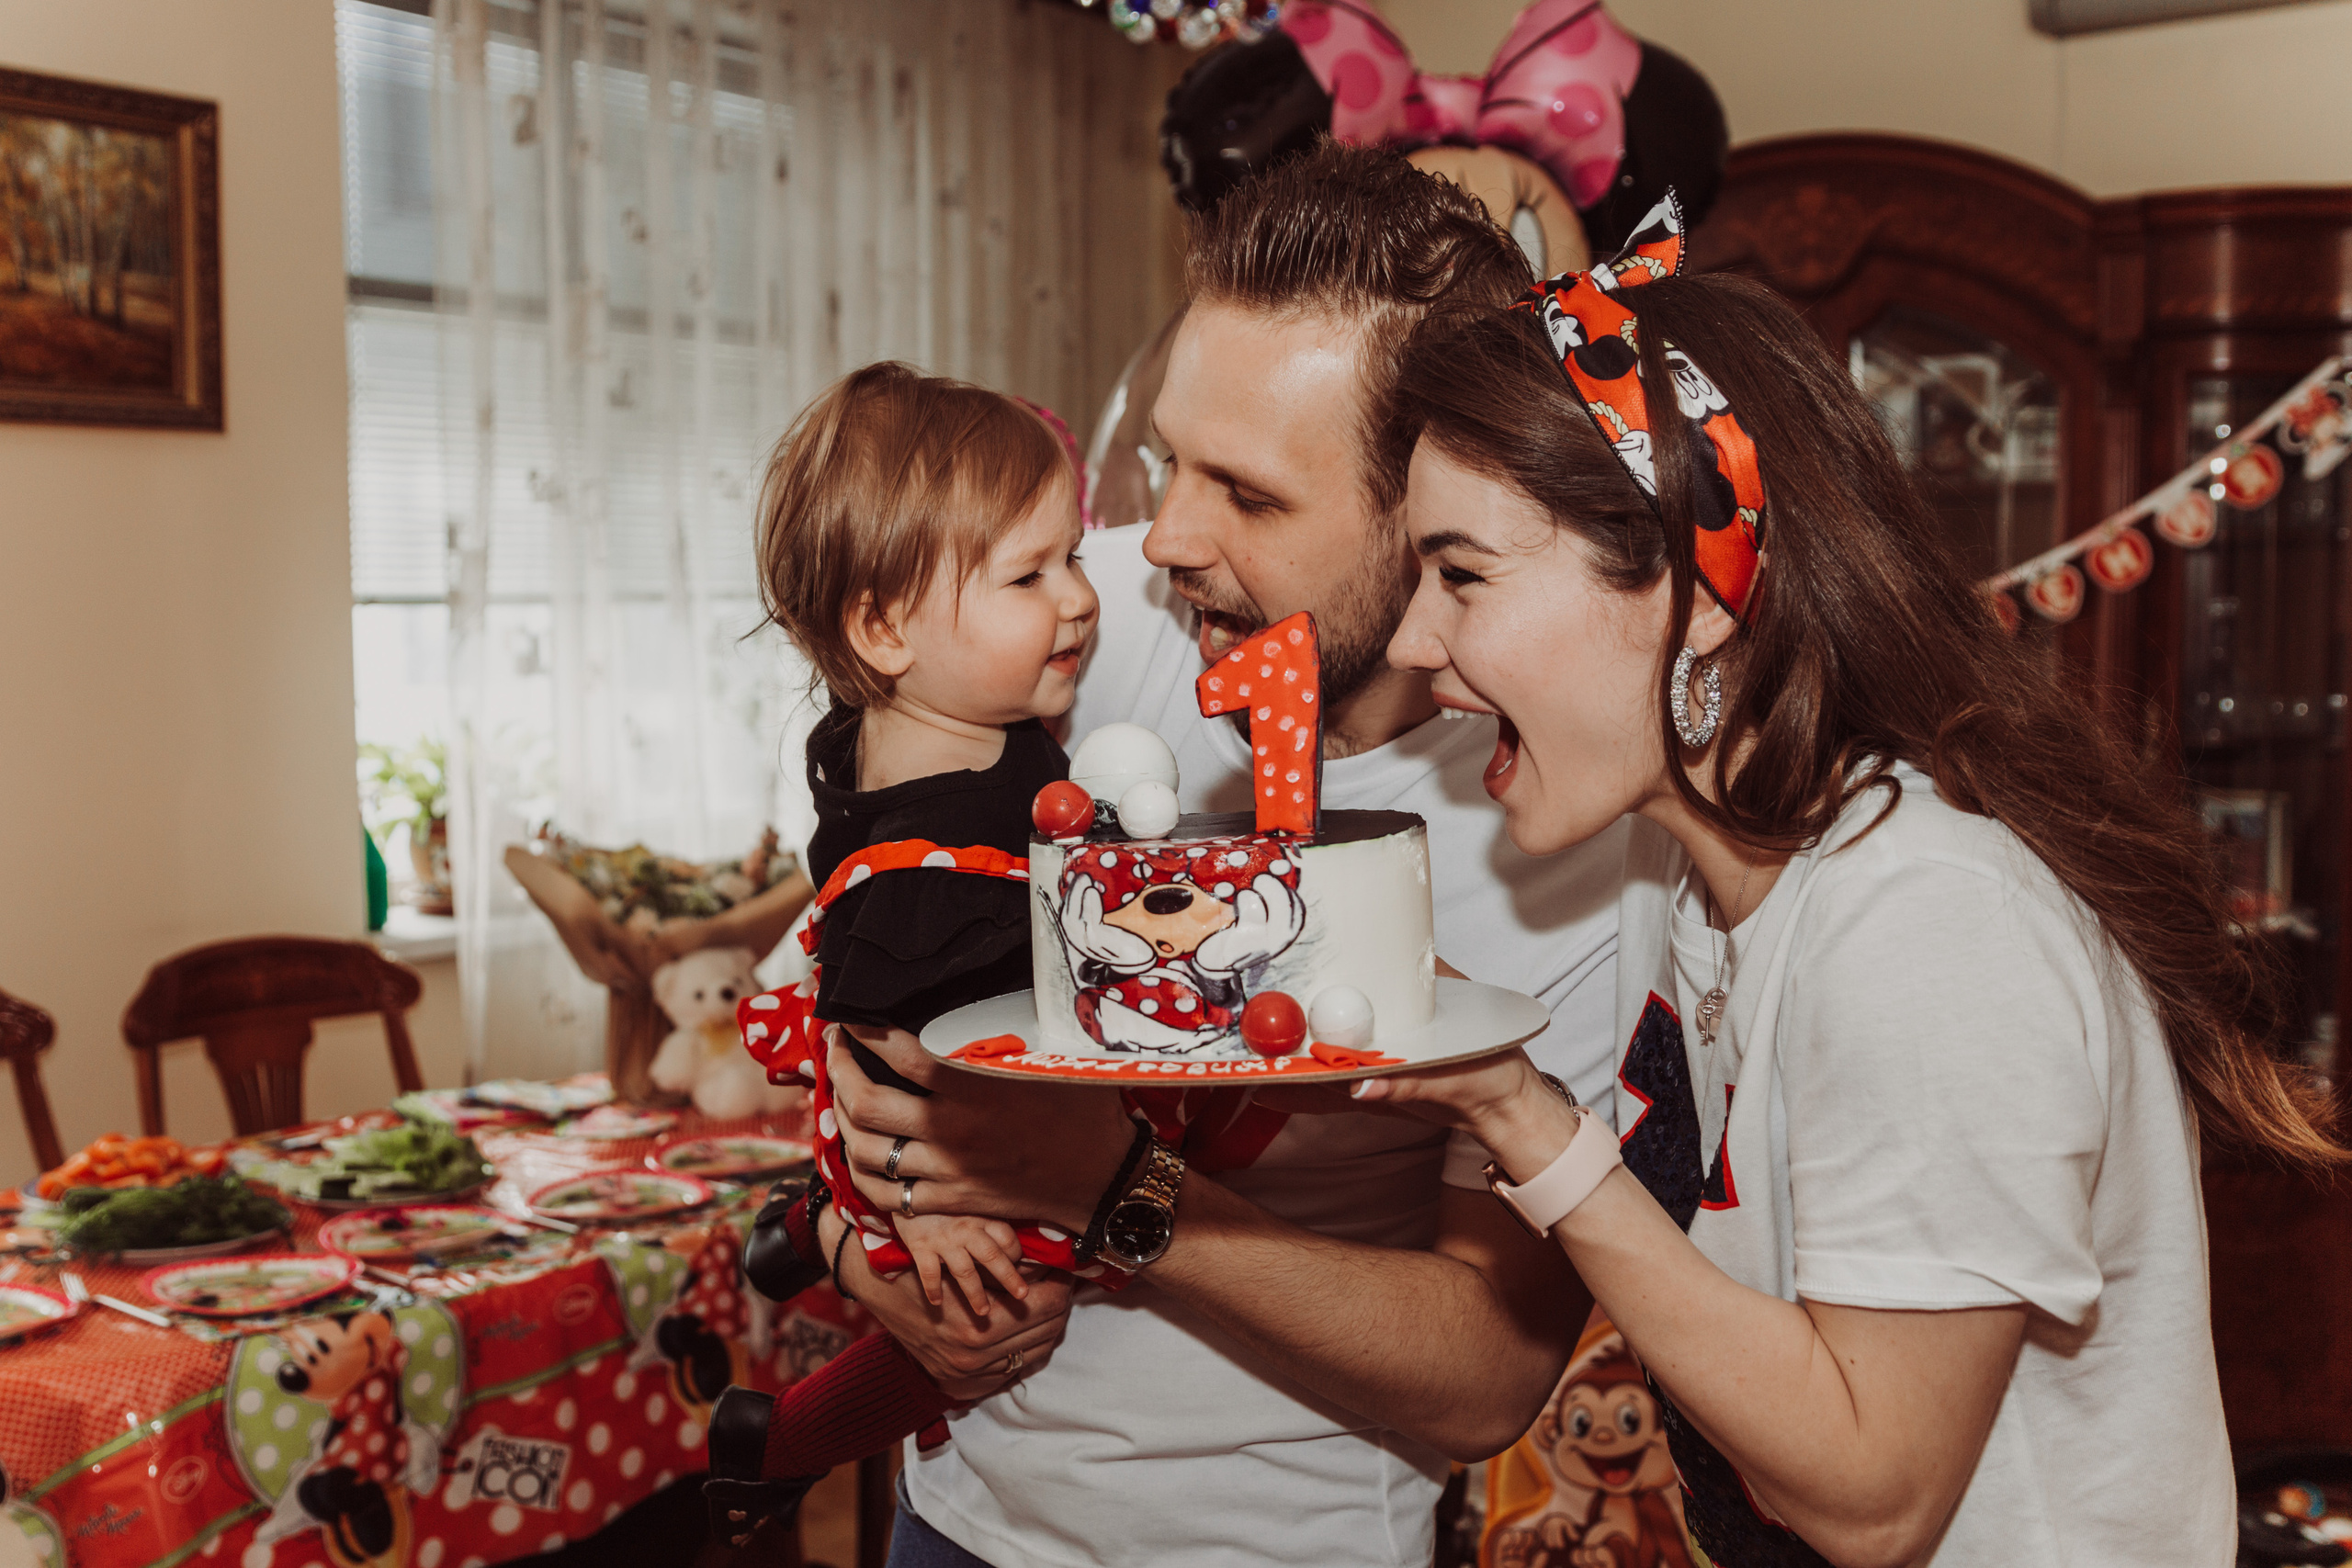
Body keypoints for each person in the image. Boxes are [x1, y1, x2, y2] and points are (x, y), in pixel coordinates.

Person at [1339, 194, 2346, 1565]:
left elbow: (1875, 1492)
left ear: (1696, 588)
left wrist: (1527, 1117)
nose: (1414, 638)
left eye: (1461, 571)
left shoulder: (1928, 922)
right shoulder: (1683, 876)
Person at [817, 142, 1628, 1568]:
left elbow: (1490, 1373)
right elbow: (855, 968)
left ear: (1430, 502)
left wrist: (1117, 1193)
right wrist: (854, 1246)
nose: (1164, 536)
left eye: (1247, 495)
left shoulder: (1562, 829)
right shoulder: (1077, 627)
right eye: (1163, 462)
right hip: (952, 1512)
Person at [699, 362, 1107, 1532]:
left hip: (968, 1106)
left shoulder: (951, 717)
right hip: (935, 1148)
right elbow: (874, 1050)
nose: (1077, 598)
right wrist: (913, 1213)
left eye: (1071, 556)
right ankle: (777, 1441)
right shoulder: (926, 857)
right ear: (881, 629)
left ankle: (790, 1229)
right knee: (998, 1325)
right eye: (1029, 574)